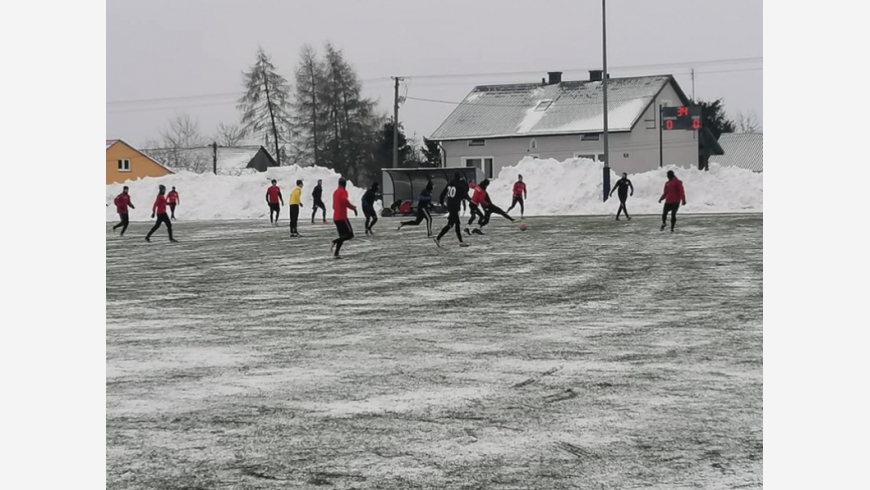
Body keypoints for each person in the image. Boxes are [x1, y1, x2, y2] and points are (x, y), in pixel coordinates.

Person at [434, 172, 470, 248]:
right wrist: (470, 199)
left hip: (450, 205)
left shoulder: (450, 184)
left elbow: (442, 194)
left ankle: (461, 241)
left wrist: (442, 203)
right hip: (455, 206)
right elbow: (464, 194)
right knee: (450, 224)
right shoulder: (459, 184)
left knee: (456, 224)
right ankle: (438, 238)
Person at [331, 178, 358, 259]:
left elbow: (333, 206)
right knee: (350, 235)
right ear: (345, 184)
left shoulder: (335, 192)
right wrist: (353, 208)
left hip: (335, 217)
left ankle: (336, 253)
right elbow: (344, 200)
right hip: (342, 217)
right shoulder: (343, 191)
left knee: (342, 236)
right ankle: (334, 242)